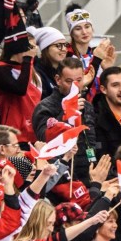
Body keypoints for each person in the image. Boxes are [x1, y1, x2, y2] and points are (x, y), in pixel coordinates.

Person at [32, 57, 97, 185]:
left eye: (78, 81)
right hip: (58, 174)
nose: (74, 86)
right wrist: (66, 114)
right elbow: (44, 137)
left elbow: (91, 139)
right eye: (69, 81)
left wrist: (93, 161)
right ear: (58, 80)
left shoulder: (86, 106)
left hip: (87, 171)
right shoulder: (45, 107)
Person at [0, 23, 42, 145]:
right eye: (30, 47)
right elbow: (20, 89)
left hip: (35, 133)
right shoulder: (0, 70)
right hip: (15, 137)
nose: (34, 51)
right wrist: (27, 60)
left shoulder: (33, 70)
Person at [32, 26, 68, 99]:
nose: (64, 49)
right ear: (46, 48)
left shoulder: (64, 70)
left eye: (65, 45)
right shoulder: (38, 73)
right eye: (58, 45)